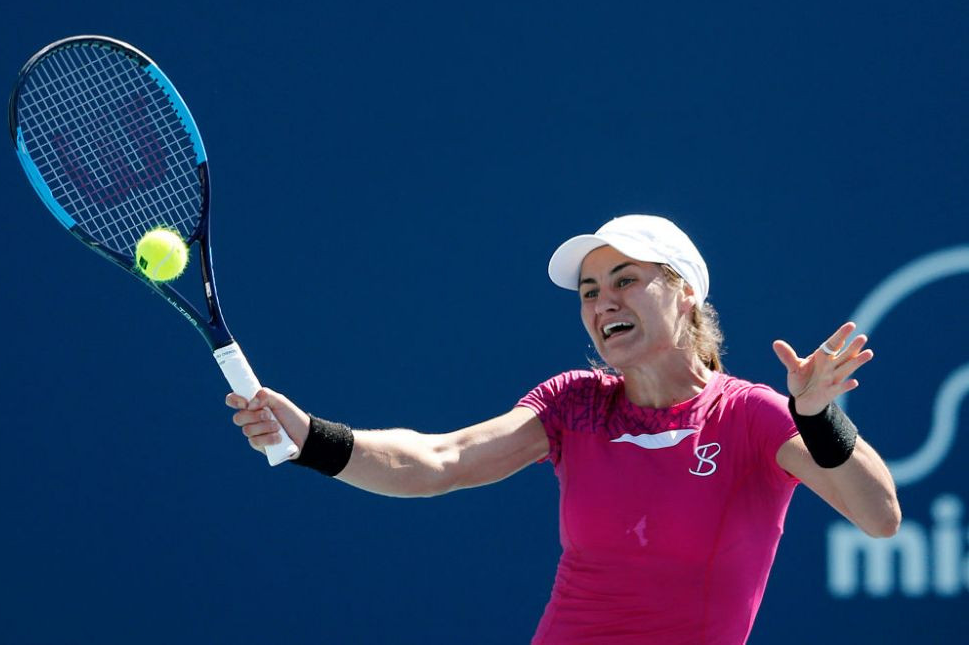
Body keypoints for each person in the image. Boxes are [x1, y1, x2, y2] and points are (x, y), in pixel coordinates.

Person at [226, 214, 900, 644]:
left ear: (686, 292)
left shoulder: (751, 416)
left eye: (626, 280)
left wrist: (816, 417)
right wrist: (314, 437)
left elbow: (879, 517)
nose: (604, 301)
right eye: (589, 291)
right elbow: (442, 459)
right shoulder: (574, 405)